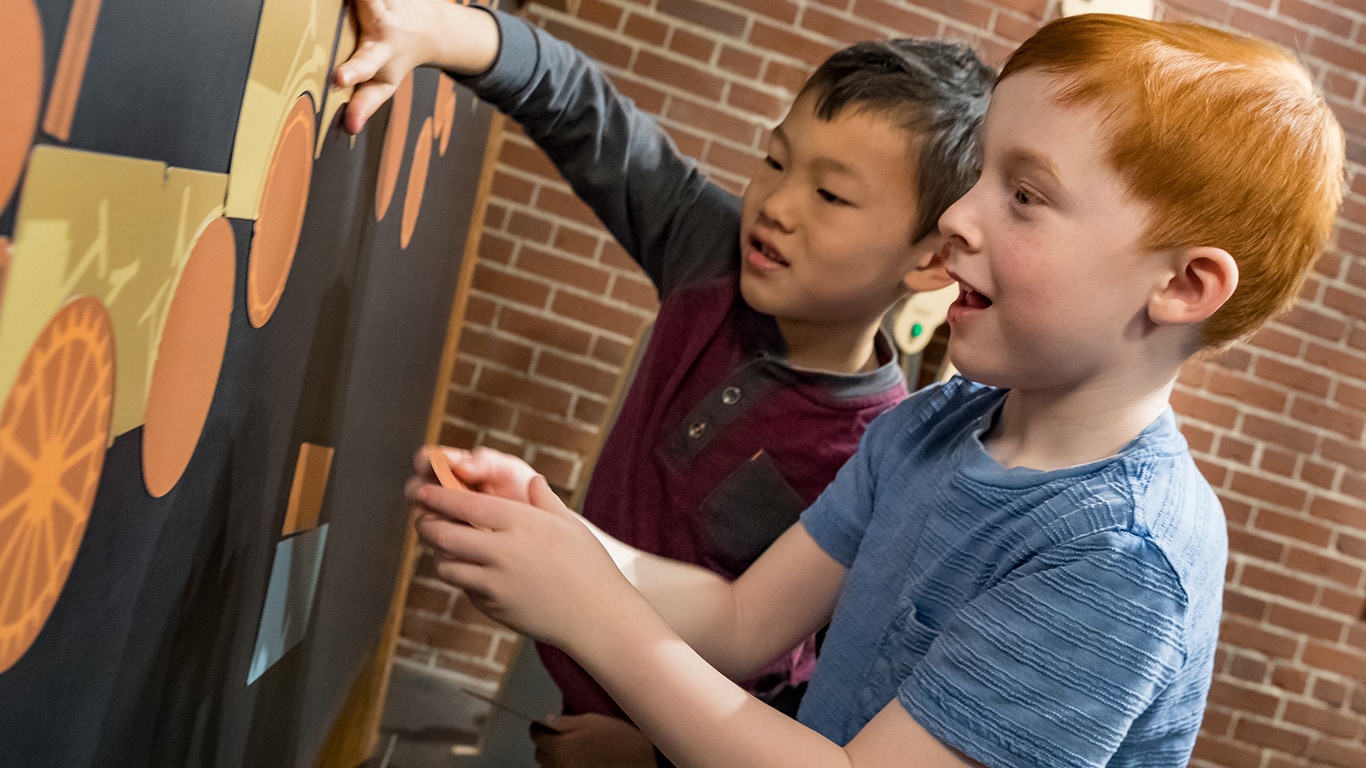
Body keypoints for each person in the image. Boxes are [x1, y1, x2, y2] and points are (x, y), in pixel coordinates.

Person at [399, 11, 1345, 768]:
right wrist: (561, 541)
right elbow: (739, 623)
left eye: (1024, 194)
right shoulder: (938, 427)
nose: (960, 219)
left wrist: (591, 610)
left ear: (1183, 285)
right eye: (978, 179)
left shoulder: (1119, 562)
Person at [338, 1, 994, 765]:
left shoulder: (875, 456)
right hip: (565, 684)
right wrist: (438, 33)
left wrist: (652, 756)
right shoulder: (709, 252)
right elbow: (585, 110)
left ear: (929, 260)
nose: (775, 206)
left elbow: (814, 683)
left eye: (831, 196)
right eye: (776, 161)